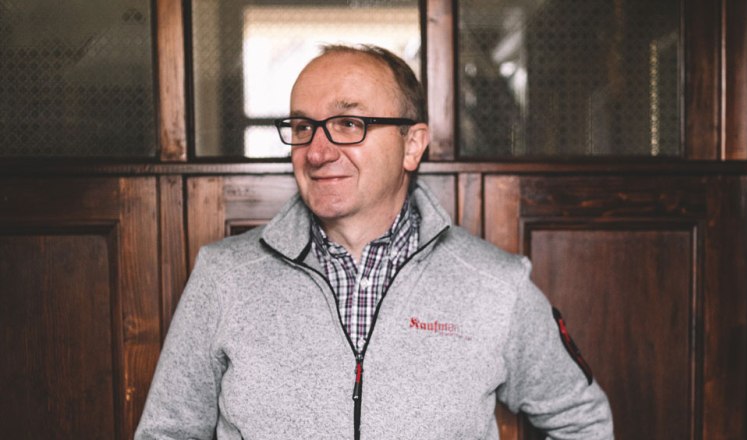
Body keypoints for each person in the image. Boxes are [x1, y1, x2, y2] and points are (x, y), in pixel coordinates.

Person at [135, 44, 613, 439]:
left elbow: (582, 421)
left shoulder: (495, 284)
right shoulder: (225, 276)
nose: (317, 152)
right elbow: (167, 432)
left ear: (412, 145)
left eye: (349, 124)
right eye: (303, 127)